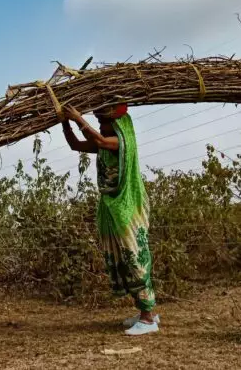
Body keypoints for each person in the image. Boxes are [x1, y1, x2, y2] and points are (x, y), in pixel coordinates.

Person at [61, 103, 159, 336]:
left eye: (104, 123)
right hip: (112, 207)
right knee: (124, 258)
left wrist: (77, 118)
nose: (101, 127)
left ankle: (147, 319)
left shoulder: (120, 143)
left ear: (117, 124)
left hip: (127, 209)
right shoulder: (105, 143)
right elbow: (76, 145)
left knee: (134, 257)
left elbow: (103, 141)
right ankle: (145, 312)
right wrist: (64, 121)